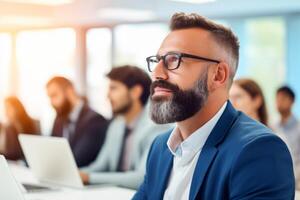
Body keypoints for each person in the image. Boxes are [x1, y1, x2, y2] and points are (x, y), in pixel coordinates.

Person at [133, 13, 294, 199]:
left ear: (218, 75)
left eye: (173, 59)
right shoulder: (160, 147)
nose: (157, 73)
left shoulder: (260, 150)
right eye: (157, 60)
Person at [79, 66, 172, 189]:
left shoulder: (157, 126)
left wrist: (89, 178)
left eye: (114, 88)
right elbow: (100, 165)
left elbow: (142, 178)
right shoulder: (117, 125)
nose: (108, 96)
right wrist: (74, 174)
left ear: (135, 92)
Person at [46, 76, 108, 167]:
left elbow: (78, 159)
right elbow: (49, 150)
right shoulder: (59, 118)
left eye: (54, 95)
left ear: (70, 91)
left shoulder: (95, 120)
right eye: (49, 97)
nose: (51, 102)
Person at [273, 85, 300, 187]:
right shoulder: (271, 126)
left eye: (283, 98)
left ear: (292, 101)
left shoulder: (298, 128)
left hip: (296, 184)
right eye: (277, 98)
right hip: (276, 181)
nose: (279, 102)